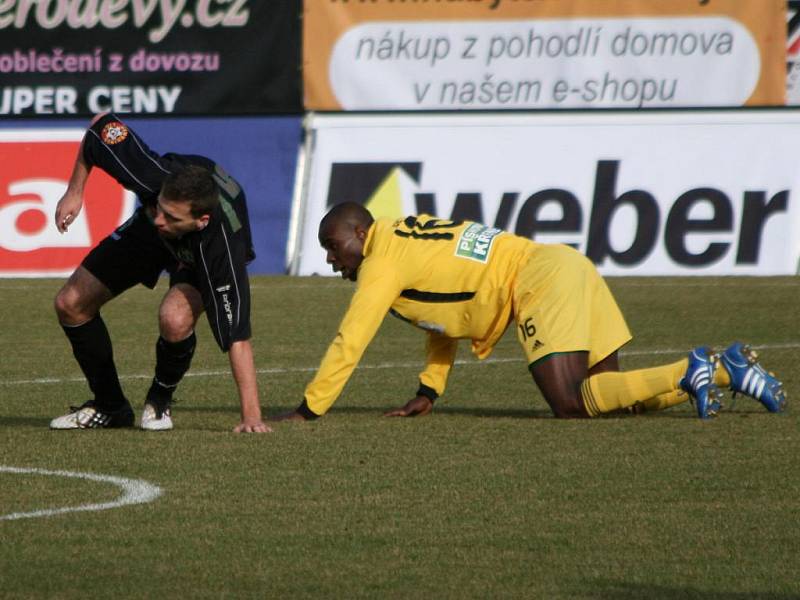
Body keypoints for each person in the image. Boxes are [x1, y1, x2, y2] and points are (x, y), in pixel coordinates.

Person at [274, 203, 786, 422]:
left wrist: (308, 409)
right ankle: (723, 370)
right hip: (566, 264)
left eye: (333, 244)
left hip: (539, 279)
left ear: (360, 234)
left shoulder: (380, 263)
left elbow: (351, 340)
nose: (330, 257)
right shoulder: (404, 234)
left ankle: (690, 366)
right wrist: (430, 390)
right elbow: (443, 314)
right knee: (609, 403)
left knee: (570, 403)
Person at [50, 113, 271, 433]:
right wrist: (75, 191)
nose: (160, 219)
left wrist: (252, 418)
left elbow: (237, 338)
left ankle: (159, 399)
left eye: (170, 215)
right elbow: (100, 127)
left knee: (175, 319)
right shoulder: (153, 178)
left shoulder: (220, 245)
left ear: (201, 220)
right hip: (153, 239)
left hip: (197, 254)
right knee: (70, 303)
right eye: (160, 207)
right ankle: (110, 407)